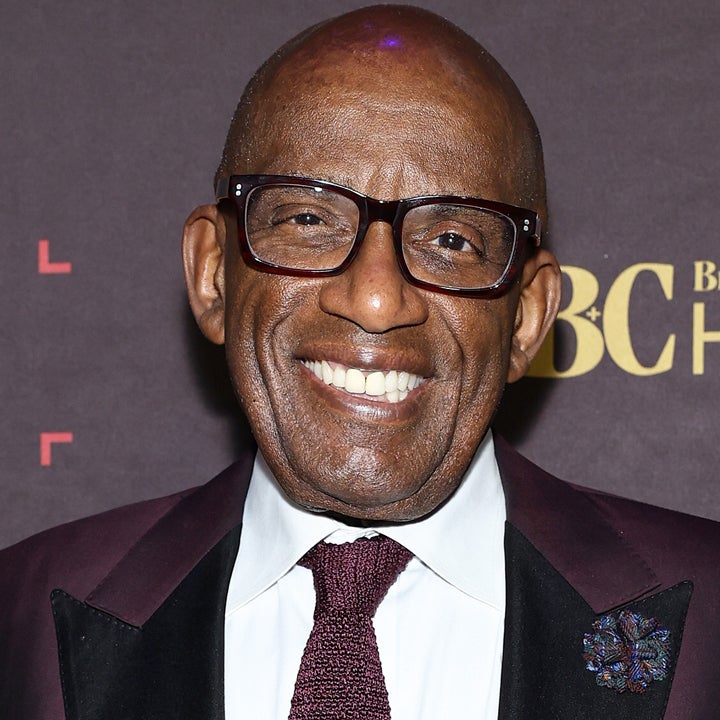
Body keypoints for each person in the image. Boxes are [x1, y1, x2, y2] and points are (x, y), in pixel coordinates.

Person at [2, 5, 719, 719]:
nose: (376, 299)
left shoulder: (709, 617)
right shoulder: (21, 617)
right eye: (308, 219)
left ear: (527, 318)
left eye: (452, 240)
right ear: (213, 275)